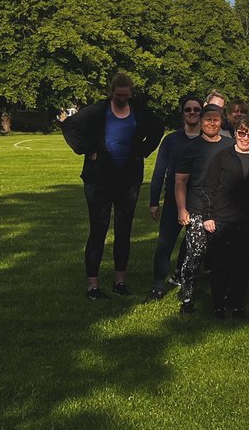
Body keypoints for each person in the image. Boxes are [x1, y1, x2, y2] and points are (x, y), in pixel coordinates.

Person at [62, 73, 163, 299]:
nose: (121, 99)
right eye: (118, 95)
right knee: (98, 229)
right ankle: (93, 285)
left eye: (125, 96)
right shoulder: (98, 110)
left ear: (131, 93)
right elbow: (69, 126)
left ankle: (120, 282)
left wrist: (143, 150)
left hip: (128, 180)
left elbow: (157, 128)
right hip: (99, 179)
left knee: (123, 230)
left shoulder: (139, 110)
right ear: (112, 92)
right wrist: (87, 148)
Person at [200, 115, 249, 319]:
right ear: (235, 132)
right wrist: (208, 216)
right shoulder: (221, 157)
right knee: (220, 265)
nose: (246, 138)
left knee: (242, 265)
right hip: (222, 219)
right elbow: (208, 188)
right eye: (242, 133)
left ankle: (239, 304)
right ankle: (218, 306)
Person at [174, 104, 234, 313]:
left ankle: (224, 296)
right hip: (197, 208)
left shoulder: (230, 145)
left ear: (222, 122)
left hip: (223, 210)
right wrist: (182, 209)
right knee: (194, 254)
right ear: (200, 121)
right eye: (207, 119)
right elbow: (180, 182)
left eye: (215, 120)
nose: (211, 123)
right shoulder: (191, 148)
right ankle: (188, 298)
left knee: (224, 256)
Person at [143, 94, 202, 302]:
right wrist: (153, 201)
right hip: (172, 200)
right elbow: (159, 171)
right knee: (165, 244)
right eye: (188, 109)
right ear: (182, 113)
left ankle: (186, 284)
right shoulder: (171, 140)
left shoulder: (208, 139)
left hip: (198, 201)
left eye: (196, 109)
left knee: (193, 246)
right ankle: (158, 288)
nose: (193, 113)